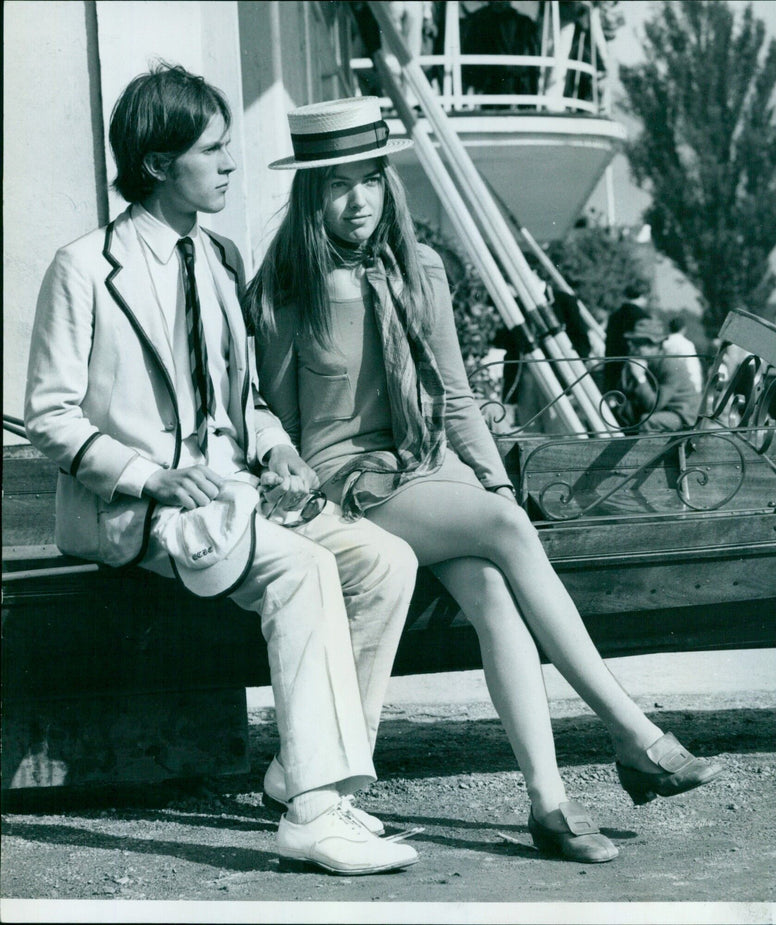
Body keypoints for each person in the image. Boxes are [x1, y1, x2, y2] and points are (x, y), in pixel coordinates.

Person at [246, 96, 724, 865]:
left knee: (497, 588)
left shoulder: (422, 269)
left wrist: (493, 484)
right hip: (352, 479)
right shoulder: (286, 292)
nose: (359, 199)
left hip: (428, 467)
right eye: (338, 184)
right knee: (506, 529)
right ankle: (633, 732)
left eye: (370, 178)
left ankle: (550, 804)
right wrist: (496, 511)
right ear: (311, 192)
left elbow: (459, 394)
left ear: (387, 181)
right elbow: (275, 416)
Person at [23, 66, 420, 877]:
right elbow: (50, 415)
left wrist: (274, 446)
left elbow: (239, 401)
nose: (232, 162)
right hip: (143, 511)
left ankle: (319, 778)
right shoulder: (84, 268)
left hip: (234, 495)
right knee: (304, 569)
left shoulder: (219, 258)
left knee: (385, 562)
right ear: (161, 162)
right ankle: (311, 815)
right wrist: (149, 476)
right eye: (214, 148)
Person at [617, 317, 702, 433]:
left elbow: (653, 405)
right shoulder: (647, 362)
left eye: (638, 344)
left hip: (684, 415)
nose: (633, 349)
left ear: (654, 345)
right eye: (633, 343)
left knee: (648, 421)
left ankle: (644, 451)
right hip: (667, 410)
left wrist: (640, 378)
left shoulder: (670, 364)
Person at [603, 282, 651, 395]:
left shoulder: (614, 316)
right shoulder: (643, 318)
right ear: (644, 295)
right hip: (633, 371)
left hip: (612, 370)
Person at [663, 315, 704, 394]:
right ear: (683, 329)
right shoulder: (686, 344)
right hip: (684, 385)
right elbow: (692, 366)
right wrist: (697, 387)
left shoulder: (664, 343)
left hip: (666, 383)